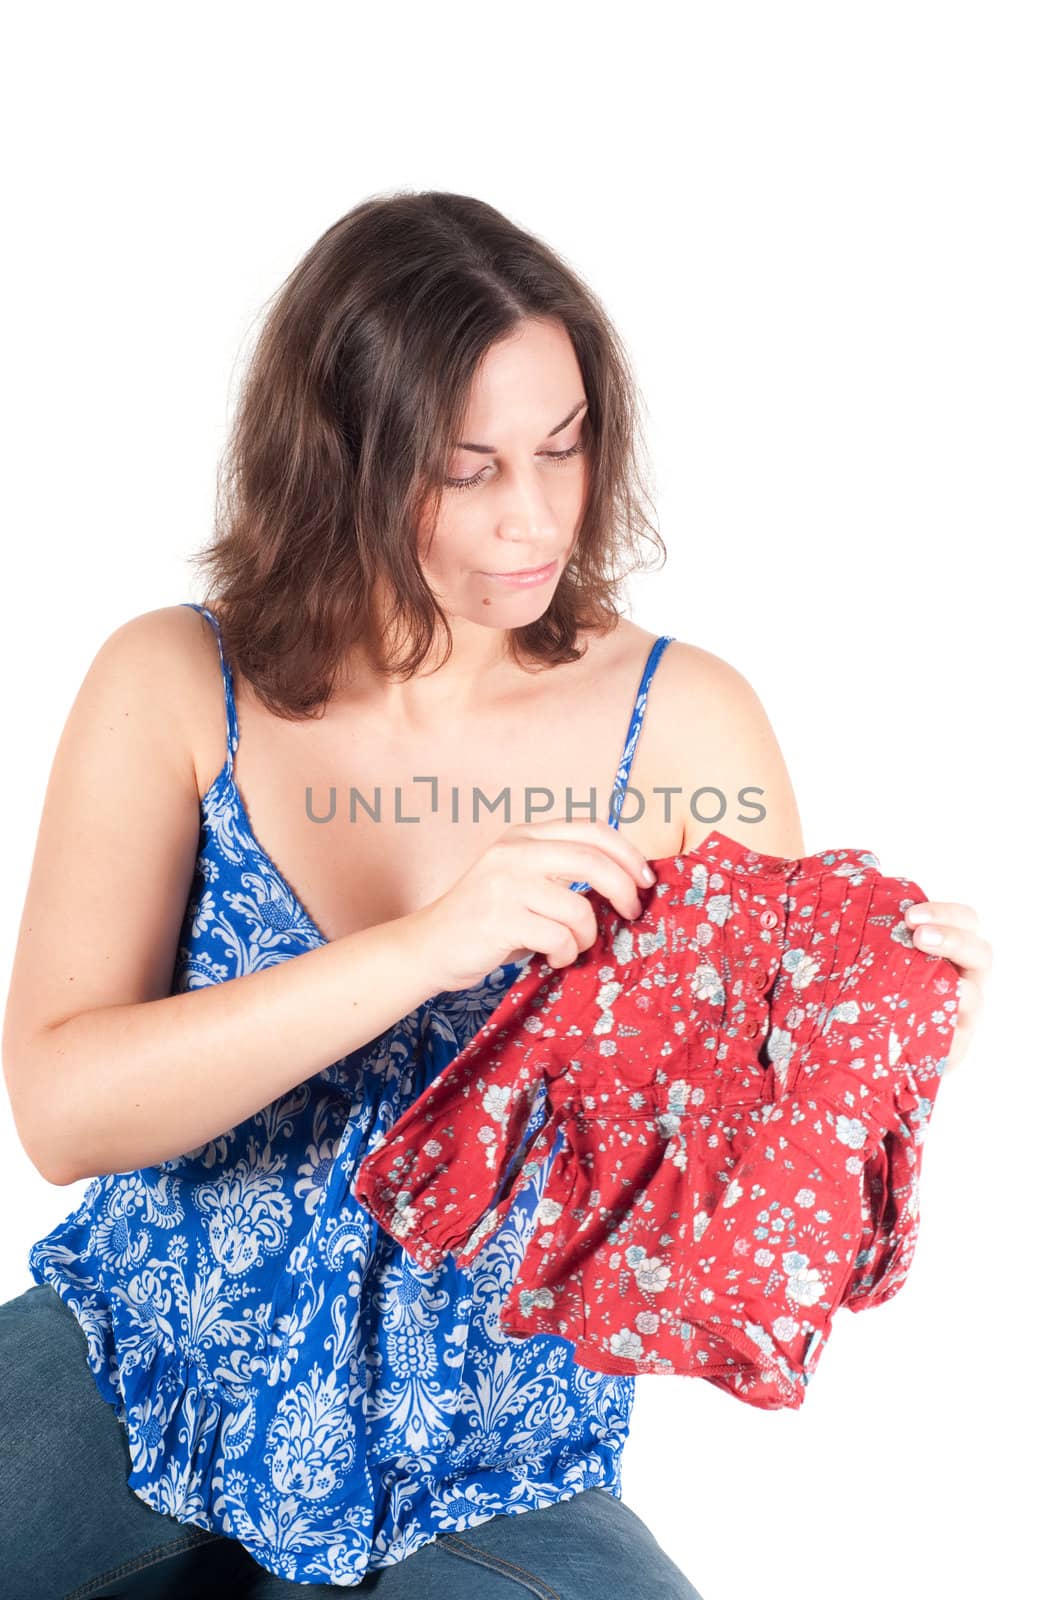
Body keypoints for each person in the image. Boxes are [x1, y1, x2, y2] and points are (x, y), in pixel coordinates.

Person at [0, 191, 992, 1598]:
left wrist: (869, 1062)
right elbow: (60, 1109)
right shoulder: (173, 679)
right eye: (466, 469)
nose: (532, 518)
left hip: (489, 1452)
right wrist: (425, 949)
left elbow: (719, 1215)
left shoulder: (685, 724)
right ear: (336, 462)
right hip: (144, 1357)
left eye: (563, 447)